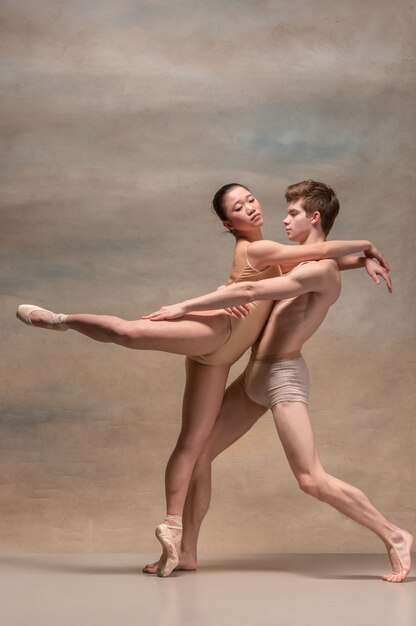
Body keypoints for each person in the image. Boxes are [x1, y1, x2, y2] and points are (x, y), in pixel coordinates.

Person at [16, 183, 388, 577]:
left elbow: (315, 266)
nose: (252, 208)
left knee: (195, 447)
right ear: (230, 223)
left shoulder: (279, 256)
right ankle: (59, 319)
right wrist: (366, 245)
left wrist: (358, 262)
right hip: (217, 334)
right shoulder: (259, 249)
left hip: (224, 363)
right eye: (239, 208)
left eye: (250, 199)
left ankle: (183, 546)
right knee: (130, 333)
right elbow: (317, 253)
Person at [144, 180, 413, 582]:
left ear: (315, 218)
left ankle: (395, 536)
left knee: (310, 479)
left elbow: (254, 286)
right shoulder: (307, 263)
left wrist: (183, 306)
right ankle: (188, 552)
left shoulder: (318, 269)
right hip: (256, 373)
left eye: (293, 213)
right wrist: (360, 260)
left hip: (282, 376)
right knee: (199, 454)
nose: (283, 218)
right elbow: (310, 262)